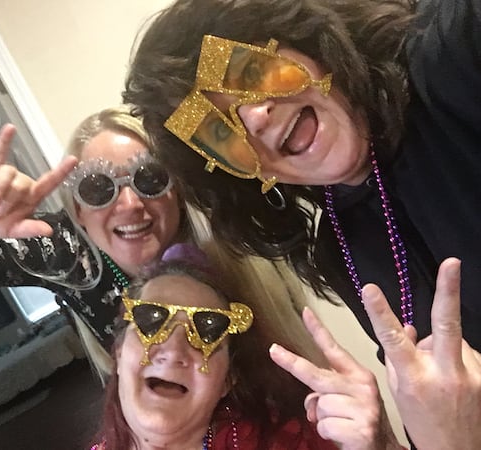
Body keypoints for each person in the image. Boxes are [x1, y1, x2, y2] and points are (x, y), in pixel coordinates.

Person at [122, 0, 481, 447]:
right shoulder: (341, 247)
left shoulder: (452, 56)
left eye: (246, 71)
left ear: (303, 43)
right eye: (218, 132)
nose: (253, 116)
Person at [0, 106, 187, 377]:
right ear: (79, 211)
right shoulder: (67, 249)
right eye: (98, 188)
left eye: (149, 177)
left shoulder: (218, 232)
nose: (131, 203)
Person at [91, 244, 403, 449]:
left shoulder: (290, 442)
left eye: (207, 331)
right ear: (118, 353)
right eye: (150, 320)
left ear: (227, 380)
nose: (173, 350)